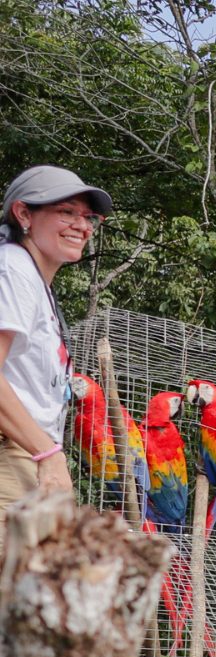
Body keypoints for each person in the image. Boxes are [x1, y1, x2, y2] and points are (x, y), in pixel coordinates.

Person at [0, 166, 112, 534]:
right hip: (14, 454)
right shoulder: (13, 267)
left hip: (29, 458)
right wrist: (48, 454)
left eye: (88, 216)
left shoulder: (34, 280)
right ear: (24, 214)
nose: (83, 226)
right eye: (66, 212)